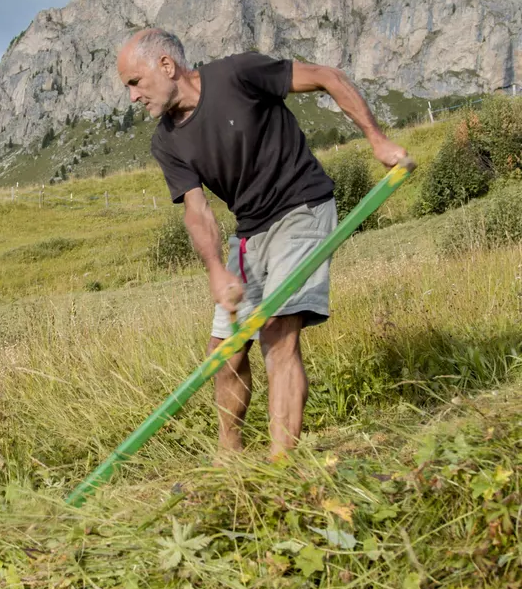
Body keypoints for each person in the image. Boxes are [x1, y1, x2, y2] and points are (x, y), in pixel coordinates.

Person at [116, 28, 408, 460]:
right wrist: (217, 269)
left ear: (165, 64)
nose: (132, 97)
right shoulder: (166, 140)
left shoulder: (238, 73)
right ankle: (229, 457)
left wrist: (377, 140)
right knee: (225, 352)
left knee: (276, 331)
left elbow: (327, 76)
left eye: (133, 82)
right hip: (250, 231)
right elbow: (196, 211)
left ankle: (279, 465)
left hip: (302, 207)